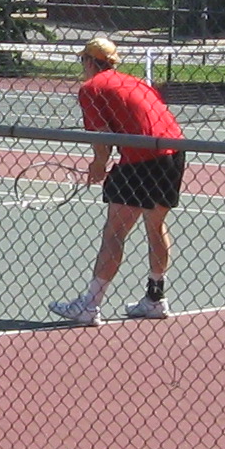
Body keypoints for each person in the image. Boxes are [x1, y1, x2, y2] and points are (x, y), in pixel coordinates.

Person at [52, 35, 186, 326]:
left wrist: (99, 165)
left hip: (141, 159)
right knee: (156, 224)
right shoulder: (135, 82)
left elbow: (101, 136)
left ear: (89, 61)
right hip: (174, 152)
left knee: (114, 231)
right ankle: (155, 298)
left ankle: (90, 306)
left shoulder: (91, 89)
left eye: (83, 60)